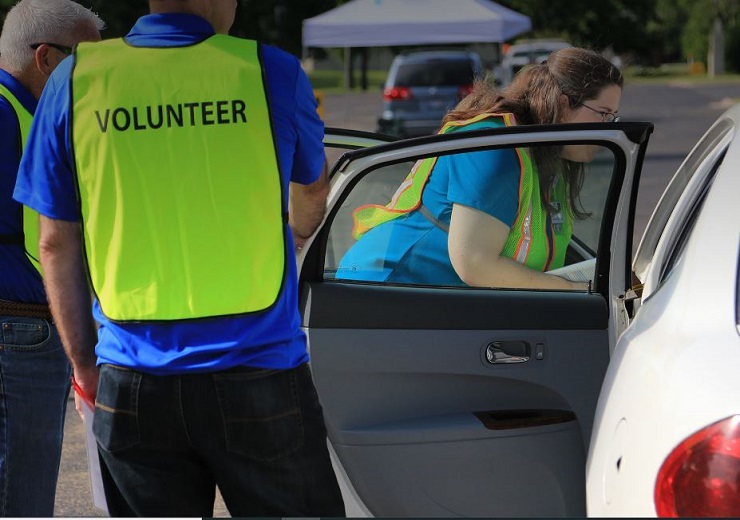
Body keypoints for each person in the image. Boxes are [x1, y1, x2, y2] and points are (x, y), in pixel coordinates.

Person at [13, 0, 344, 517]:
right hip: (259, 368)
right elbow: (311, 192)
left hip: (132, 373)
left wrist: (83, 365)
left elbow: (56, 242)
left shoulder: (76, 79)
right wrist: (295, 232)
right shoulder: (269, 70)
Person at [337, 47, 623, 290]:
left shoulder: (543, 153)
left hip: (432, 299)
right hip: (385, 291)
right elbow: (474, 263)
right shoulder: (496, 146)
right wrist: (573, 290)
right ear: (563, 105)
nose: (609, 129)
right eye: (604, 115)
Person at [0, 0, 103, 516]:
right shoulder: (8, 116)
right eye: (86, 61)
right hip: (16, 330)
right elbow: (53, 237)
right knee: (21, 498)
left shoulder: (22, 112)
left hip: (24, 329)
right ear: (45, 58)